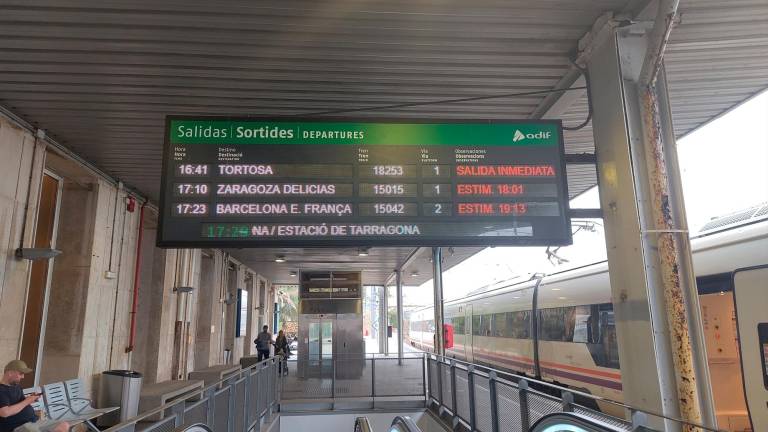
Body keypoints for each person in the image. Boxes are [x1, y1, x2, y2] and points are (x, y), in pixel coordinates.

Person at [0, 360, 68, 432]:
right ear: (10, 373)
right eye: (21, 374)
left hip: (34, 420)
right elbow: (4, 413)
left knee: (63, 425)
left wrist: (31, 399)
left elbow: (21, 403)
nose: (23, 377)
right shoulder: (1, 390)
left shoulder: (16, 386)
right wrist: (27, 401)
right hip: (19, 426)